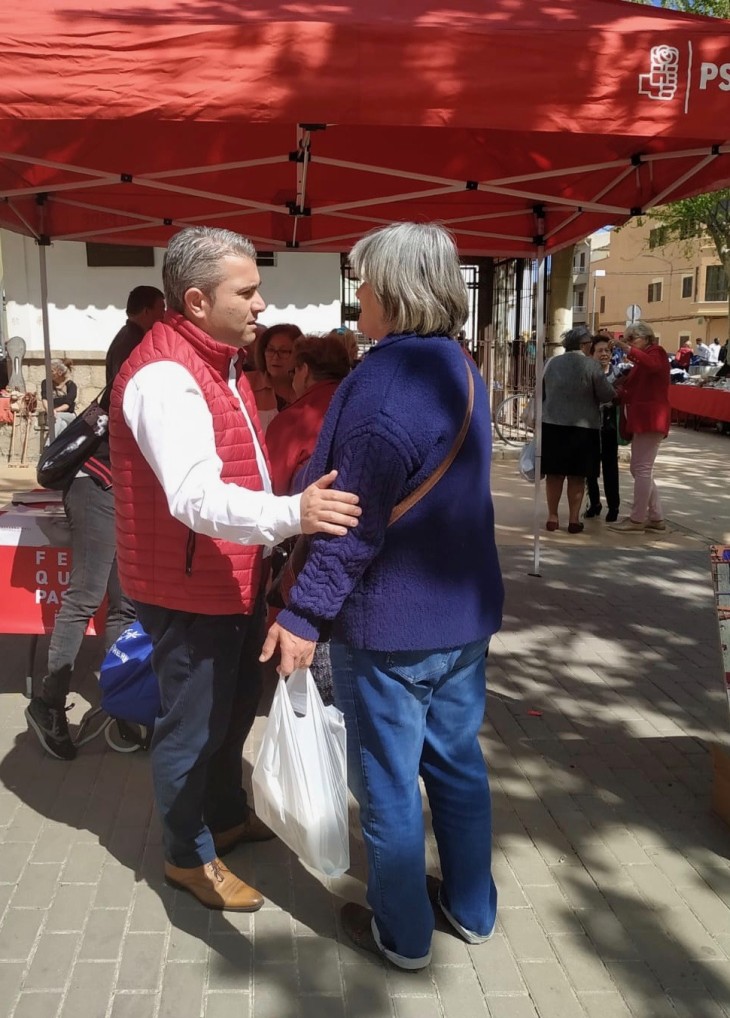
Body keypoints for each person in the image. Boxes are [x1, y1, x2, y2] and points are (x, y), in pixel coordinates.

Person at [261, 222, 504, 970]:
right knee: (457, 765)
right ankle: (472, 909)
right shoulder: (456, 364)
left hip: (392, 625)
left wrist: (303, 614)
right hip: (460, 617)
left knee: (390, 786)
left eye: (363, 279)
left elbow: (352, 523)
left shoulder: (386, 385)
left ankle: (402, 936)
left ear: (394, 290)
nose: (357, 292)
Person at [108, 226, 361, 913]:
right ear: (196, 301)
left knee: (227, 716)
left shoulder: (215, 361)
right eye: (246, 291)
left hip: (225, 575)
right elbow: (195, 497)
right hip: (189, 585)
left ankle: (223, 817)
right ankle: (187, 855)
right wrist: (292, 514)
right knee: (192, 729)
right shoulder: (165, 376)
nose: (260, 304)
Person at [25, 292, 165, 761]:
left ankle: (120, 699)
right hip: (98, 483)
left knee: (124, 603)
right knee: (85, 596)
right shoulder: (137, 348)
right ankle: (48, 703)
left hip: (124, 491)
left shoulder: (145, 344)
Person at [541, 325, 615, 533]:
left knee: (554, 474)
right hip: (584, 429)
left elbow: (542, 391)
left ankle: (552, 517)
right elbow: (606, 394)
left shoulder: (551, 363)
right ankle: (574, 519)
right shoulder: (591, 366)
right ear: (583, 345)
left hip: (553, 426)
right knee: (577, 475)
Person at [266, 334, 351, 496]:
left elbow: (275, 487)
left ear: (304, 370)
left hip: (309, 505)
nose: (292, 380)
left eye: (293, 372)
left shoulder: (292, 419)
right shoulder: (357, 404)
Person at [608, 321, 671, 533]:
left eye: (632, 339)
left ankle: (637, 519)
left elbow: (652, 365)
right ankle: (656, 517)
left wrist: (625, 348)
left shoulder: (657, 353)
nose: (628, 343)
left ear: (646, 338)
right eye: (626, 339)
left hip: (650, 419)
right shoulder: (642, 361)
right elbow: (633, 389)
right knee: (639, 469)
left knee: (642, 469)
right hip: (643, 419)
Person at [584, 336, 620, 522]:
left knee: (610, 468)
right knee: (590, 468)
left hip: (609, 427)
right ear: (592, 355)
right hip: (590, 426)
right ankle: (594, 503)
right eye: (600, 351)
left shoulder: (619, 374)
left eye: (607, 350)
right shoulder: (587, 374)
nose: (604, 354)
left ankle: (613, 506)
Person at [246, 322, 301, 431]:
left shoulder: (308, 386)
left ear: (299, 354)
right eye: (270, 350)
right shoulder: (245, 383)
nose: (275, 357)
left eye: (283, 351)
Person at [105, 285, 166, 381]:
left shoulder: (129, 336)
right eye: (162, 309)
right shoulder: (129, 344)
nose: (164, 315)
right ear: (146, 311)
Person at [40, 359, 77, 431]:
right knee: (63, 424)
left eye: (51, 371)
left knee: (58, 416)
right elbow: (44, 399)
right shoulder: (46, 383)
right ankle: (56, 439)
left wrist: (55, 411)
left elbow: (67, 405)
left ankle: (51, 439)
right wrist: (49, 411)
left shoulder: (71, 385)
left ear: (59, 372)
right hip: (51, 416)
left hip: (68, 415)